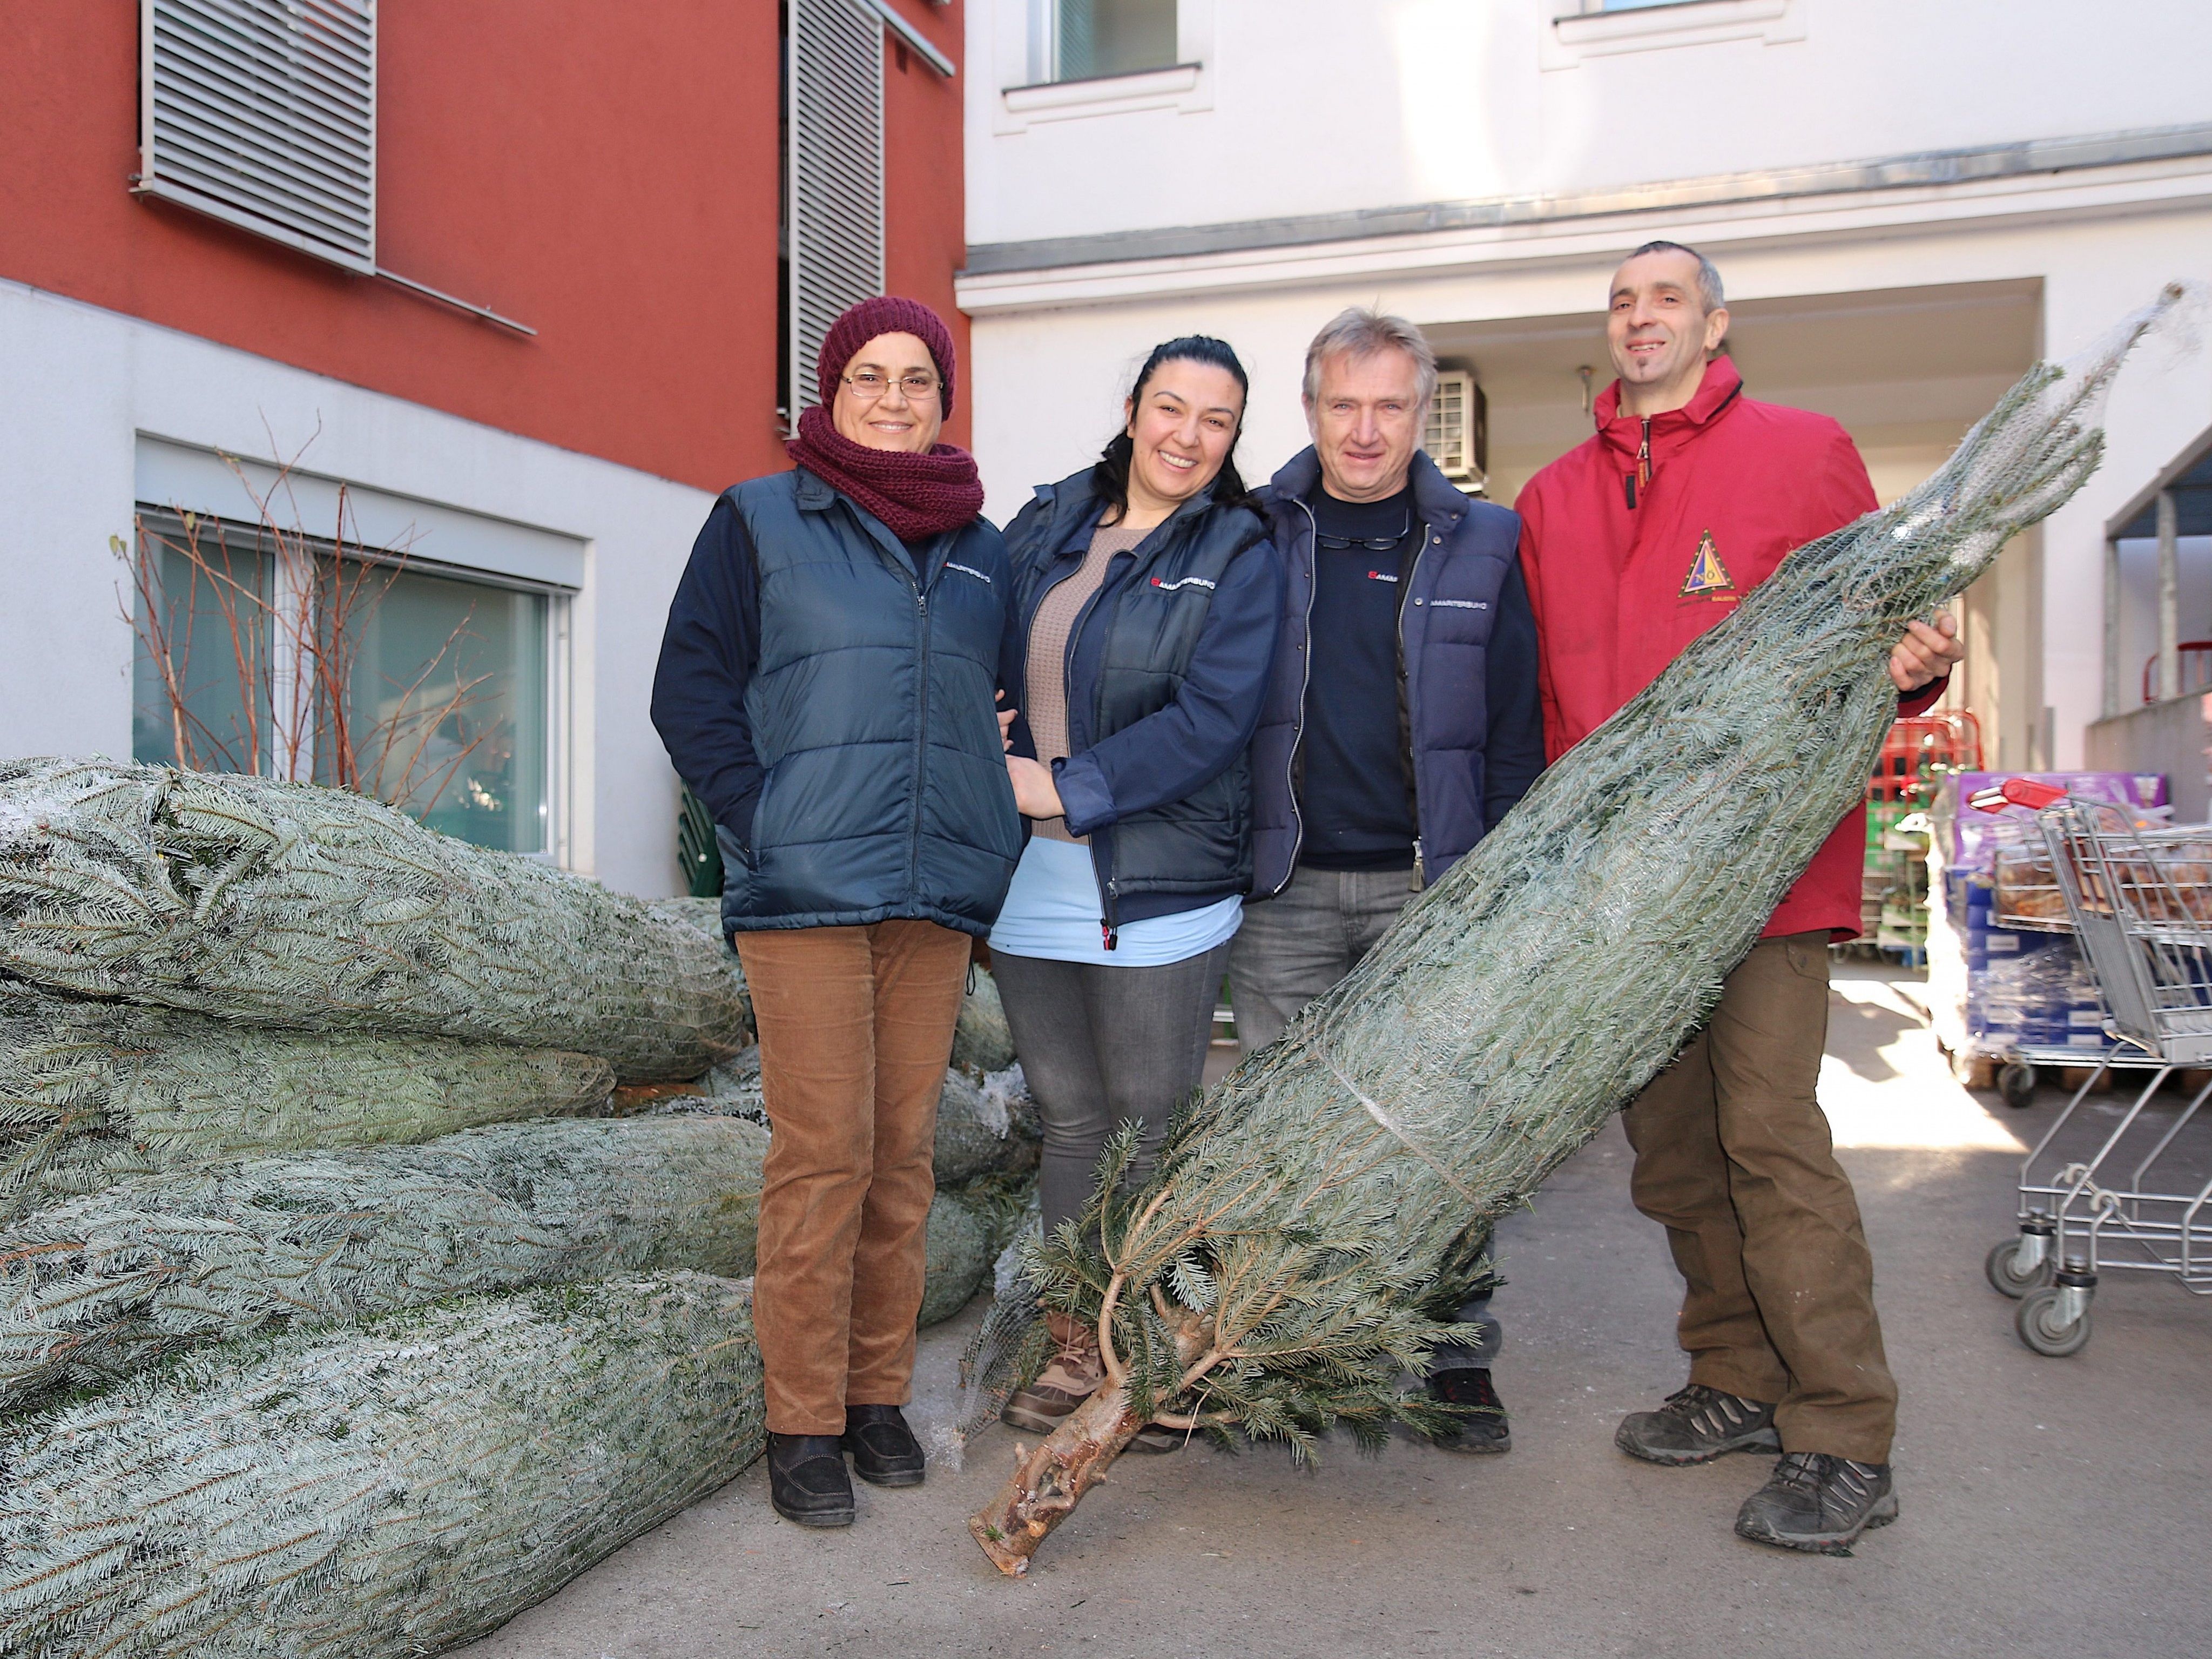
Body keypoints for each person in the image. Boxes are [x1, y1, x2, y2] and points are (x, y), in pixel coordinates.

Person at [1516, 240, 1963, 1554]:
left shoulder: (1803, 450)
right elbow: (1548, 705)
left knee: (1769, 1141)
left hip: (1761, 875)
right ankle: (1734, 1377)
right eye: (1621, 300)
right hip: (1622, 897)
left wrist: (1919, 668)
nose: (1638, 317)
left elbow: (1890, 635)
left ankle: (1841, 1432)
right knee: (1669, 1156)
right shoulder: (1548, 498)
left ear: (1713, 323)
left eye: (1664, 297)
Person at [650, 296, 1024, 1530]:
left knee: (902, 1161)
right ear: (829, 390)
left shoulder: (985, 552)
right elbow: (688, 687)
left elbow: (1001, 703)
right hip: (806, 896)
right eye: (871, 377)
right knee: (821, 1158)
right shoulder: (761, 520)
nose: (895, 399)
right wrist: (767, 821)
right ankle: (800, 1420)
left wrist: (989, 805)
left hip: (931, 899)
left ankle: (875, 1399)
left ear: (942, 399)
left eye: (917, 380)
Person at [1231, 308, 1546, 1455]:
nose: (1365, 431)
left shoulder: (1486, 540)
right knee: (1287, 1137)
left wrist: (1500, 884)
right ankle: (1301, 1349)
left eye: (1389, 406)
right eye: (1341, 405)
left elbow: (1514, 729)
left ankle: (1452, 1355)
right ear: (1308, 411)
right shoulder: (1248, 535)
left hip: (1433, 891)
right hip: (1287, 891)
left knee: (1441, 1132)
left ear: (1424, 415)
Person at [991, 337, 1283, 1444]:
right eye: (1170, 407)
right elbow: (977, 636)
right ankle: (1079, 1346)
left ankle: (1178, 1344)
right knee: (1070, 1127)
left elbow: (1210, 724)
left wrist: (1060, 784)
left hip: (1155, 881)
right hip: (1027, 880)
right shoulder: (1050, 519)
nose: (1187, 436)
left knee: (1156, 1134)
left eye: (1215, 420)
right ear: (1130, 408)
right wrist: (978, 720)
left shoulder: (1237, 551)